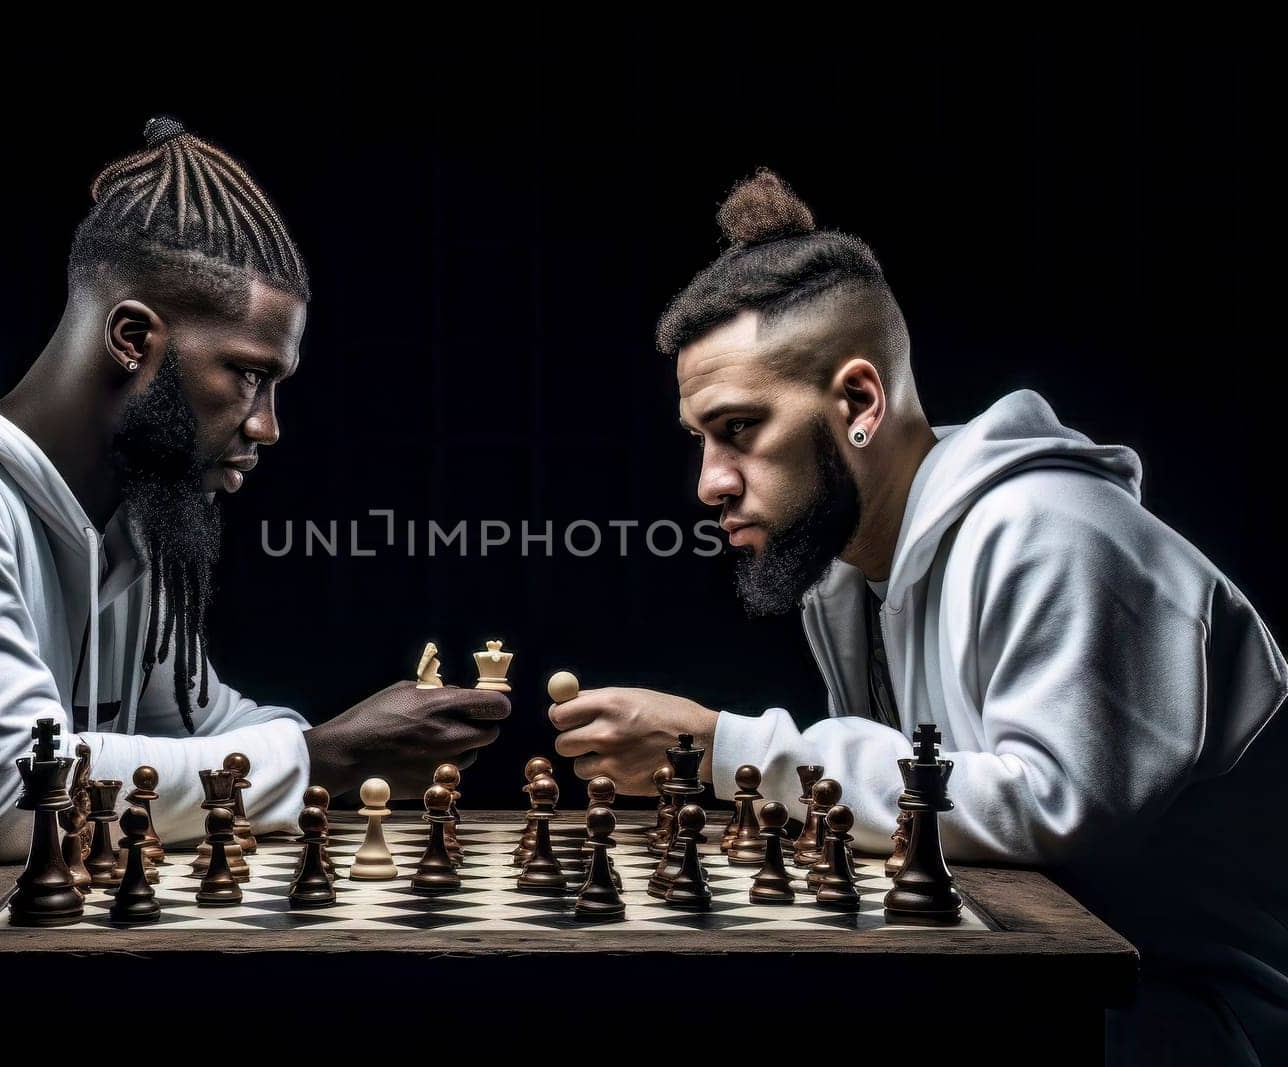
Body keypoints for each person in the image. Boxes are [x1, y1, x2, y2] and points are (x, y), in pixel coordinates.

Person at [0, 116, 508, 1063]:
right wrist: (317, 761)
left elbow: (210, 730)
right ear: (132, 337)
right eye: (248, 375)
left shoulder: (127, 530)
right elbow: (6, 798)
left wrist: (323, 762)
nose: (269, 425)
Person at [546, 167, 1287, 1063]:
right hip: (1035, 990)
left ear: (859, 402)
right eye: (699, 439)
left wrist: (721, 747)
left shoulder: (1050, 532)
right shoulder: (848, 577)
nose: (709, 482)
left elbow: (1045, 812)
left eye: (739, 429)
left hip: (1192, 1021)